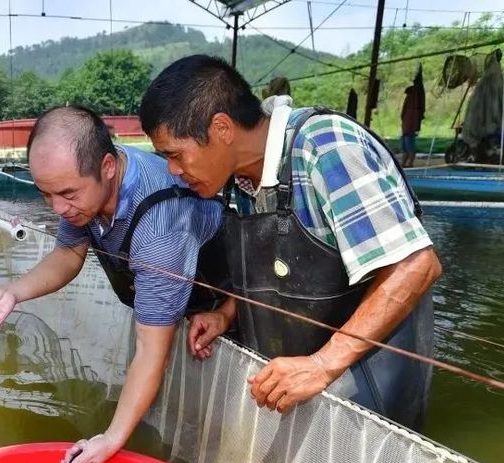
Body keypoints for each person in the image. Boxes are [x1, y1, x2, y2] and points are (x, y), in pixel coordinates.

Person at [139, 55, 442, 430]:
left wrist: (322, 364)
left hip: (373, 389)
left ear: (221, 128)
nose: (172, 170)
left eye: (174, 154)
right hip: (308, 380)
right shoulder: (243, 177)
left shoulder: (325, 147)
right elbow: (284, 267)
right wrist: (226, 314)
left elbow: (415, 266)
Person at [0, 105, 225, 463]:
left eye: (68, 193)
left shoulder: (159, 227)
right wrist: (13, 292)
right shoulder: (85, 195)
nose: (58, 208)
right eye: (46, 194)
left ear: (107, 166)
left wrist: (111, 438)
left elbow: (153, 352)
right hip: (172, 303)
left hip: (225, 303)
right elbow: (69, 254)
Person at [400, 65, 426, 168]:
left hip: (410, 124)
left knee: (409, 144)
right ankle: (404, 163)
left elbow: (418, 87)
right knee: (405, 145)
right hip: (407, 124)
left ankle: (410, 163)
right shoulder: (410, 100)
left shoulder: (415, 96)